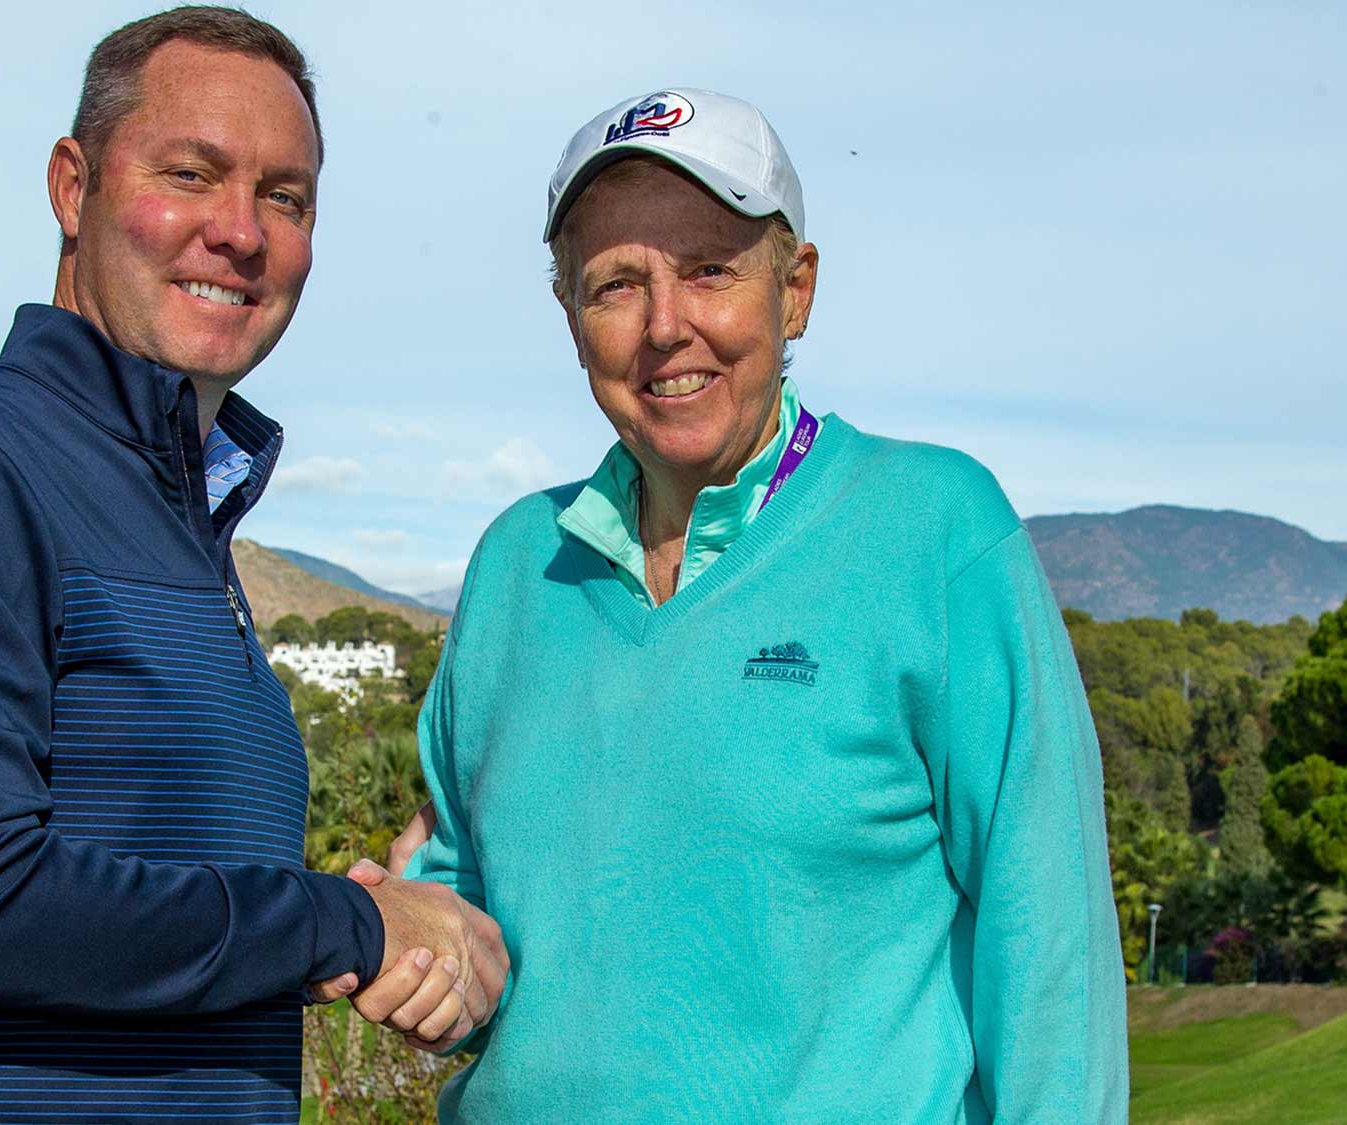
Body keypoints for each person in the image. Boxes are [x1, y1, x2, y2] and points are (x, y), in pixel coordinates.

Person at [0, 9, 505, 1124]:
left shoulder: (181, 528)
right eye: (191, 173)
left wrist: (372, 917)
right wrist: (339, 925)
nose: (240, 232)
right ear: (74, 188)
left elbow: (164, 891)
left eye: (285, 198)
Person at [368, 88, 1128, 1120]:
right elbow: (478, 923)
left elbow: (1049, 948)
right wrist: (416, 943)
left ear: (795, 290)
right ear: (568, 315)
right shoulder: (515, 565)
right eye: (615, 285)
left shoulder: (936, 530)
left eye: (709, 271)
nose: (664, 326)